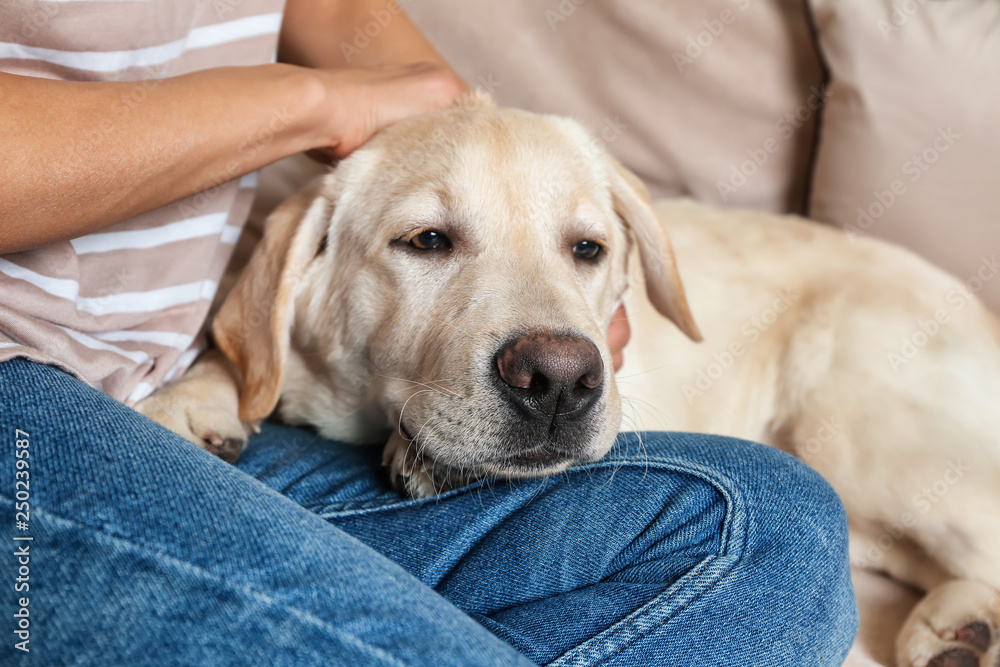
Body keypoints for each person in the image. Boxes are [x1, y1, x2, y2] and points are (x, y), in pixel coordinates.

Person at [0, 1, 857, 664]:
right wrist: (316, 102)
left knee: (769, 526)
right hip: (23, 384)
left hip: (184, 386)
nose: (559, 360)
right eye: (430, 240)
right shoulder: (313, 176)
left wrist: (479, 143)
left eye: (588, 248)